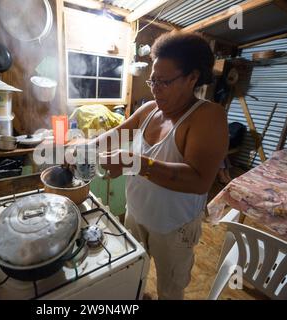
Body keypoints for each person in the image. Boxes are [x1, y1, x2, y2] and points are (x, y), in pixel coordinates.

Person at [87, 32, 229, 299]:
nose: (155, 88)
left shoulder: (207, 117)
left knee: (170, 288)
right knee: (132, 275)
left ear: (192, 78)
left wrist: (135, 162)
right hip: (136, 214)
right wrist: (80, 148)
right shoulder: (150, 109)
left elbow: (199, 180)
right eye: (153, 79)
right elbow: (115, 136)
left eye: (164, 82)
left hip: (173, 228)